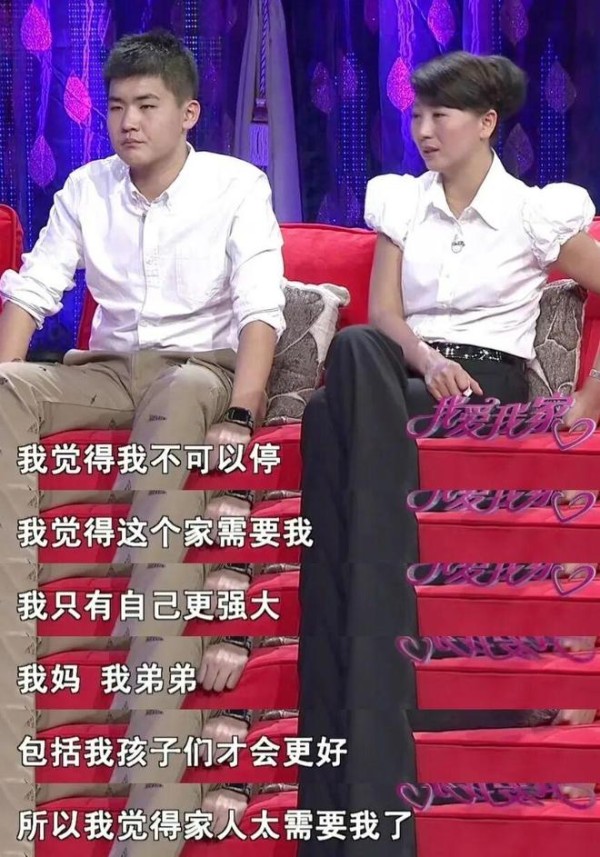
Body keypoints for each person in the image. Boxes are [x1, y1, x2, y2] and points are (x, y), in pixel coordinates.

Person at [297, 51, 600, 857]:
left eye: (442, 116)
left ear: (487, 122)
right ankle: (380, 574)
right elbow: (385, 314)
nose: (424, 130)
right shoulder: (403, 203)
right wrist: (426, 358)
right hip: (406, 376)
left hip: (483, 394)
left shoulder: (534, 213)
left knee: (331, 406)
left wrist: (587, 401)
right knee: (358, 354)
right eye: (418, 115)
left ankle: (364, 575)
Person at [0, 28, 285, 855]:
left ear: (186, 113)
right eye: (118, 107)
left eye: (147, 106)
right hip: (108, 369)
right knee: (9, 387)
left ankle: (152, 828)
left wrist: (244, 411)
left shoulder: (236, 184)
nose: (128, 122)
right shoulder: (87, 188)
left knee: (180, 393)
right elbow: (35, 289)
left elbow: (259, 306)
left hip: (199, 371)